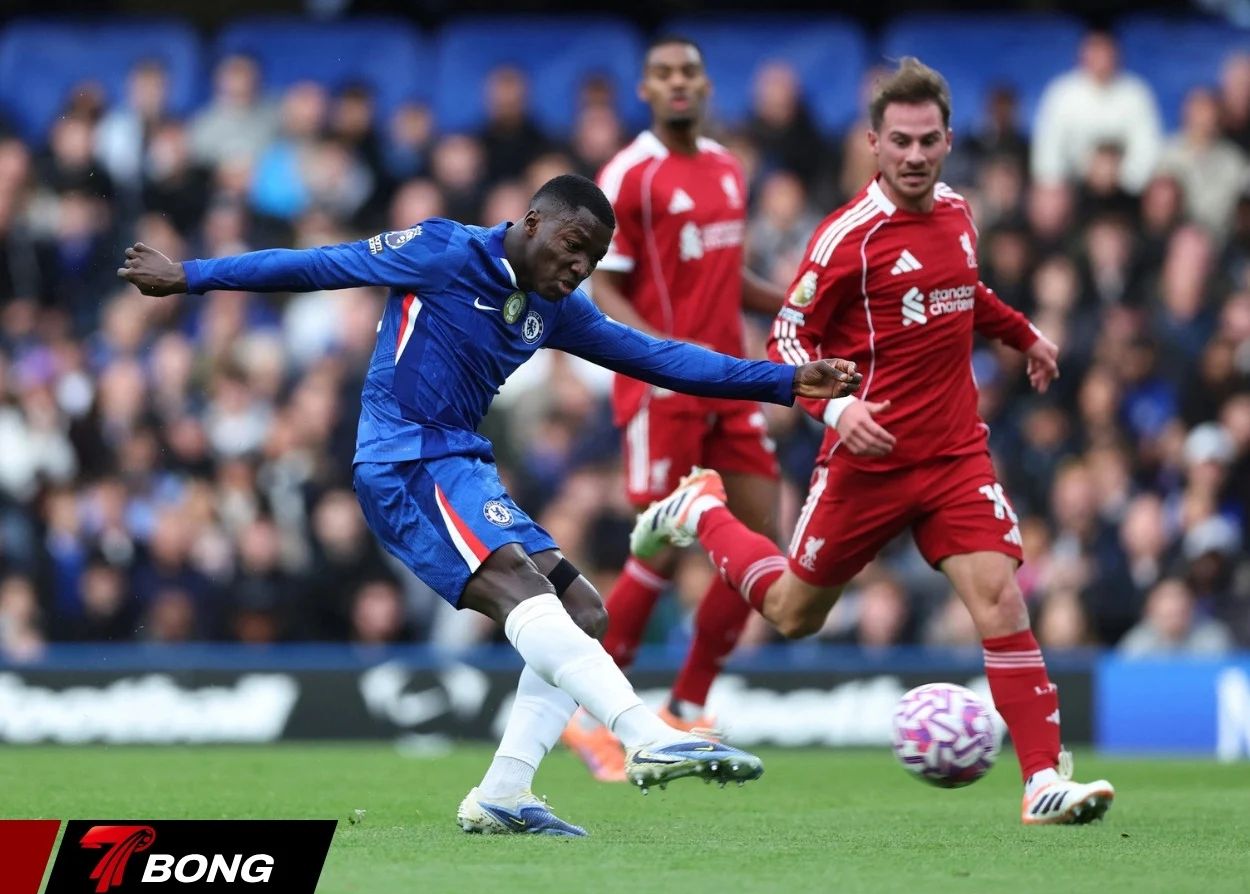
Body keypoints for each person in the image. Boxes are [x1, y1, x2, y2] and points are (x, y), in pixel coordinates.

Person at [117, 173, 861, 837]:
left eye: (592, 261)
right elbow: (318, 264)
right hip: (402, 458)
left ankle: (505, 792)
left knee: (584, 614)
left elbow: (660, 356)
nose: (578, 268)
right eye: (573, 246)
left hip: (461, 463)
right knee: (520, 588)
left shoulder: (558, 308)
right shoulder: (443, 251)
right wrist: (190, 276)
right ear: (531, 221)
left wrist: (783, 382)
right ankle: (643, 731)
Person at [630, 59, 1116, 826]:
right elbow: (787, 333)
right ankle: (701, 510)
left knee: (1000, 601)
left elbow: (966, 292)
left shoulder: (958, 212)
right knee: (793, 611)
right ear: (874, 144)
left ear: (948, 140)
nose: (916, 156)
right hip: (869, 459)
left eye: (928, 141)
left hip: (955, 455)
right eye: (901, 142)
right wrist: (834, 409)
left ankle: (1041, 781)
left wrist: (1025, 336)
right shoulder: (847, 237)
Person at [561, 35, 787, 782]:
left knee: (761, 534)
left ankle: (688, 709)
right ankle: (592, 722)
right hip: (664, 387)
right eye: (665, 74)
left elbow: (726, 276)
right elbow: (604, 286)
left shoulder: (725, 167)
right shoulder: (629, 175)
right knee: (659, 548)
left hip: (730, 379)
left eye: (690, 70)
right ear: (645, 90)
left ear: (707, 82)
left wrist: (795, 300)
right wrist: (662, 359)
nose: (679, 82)